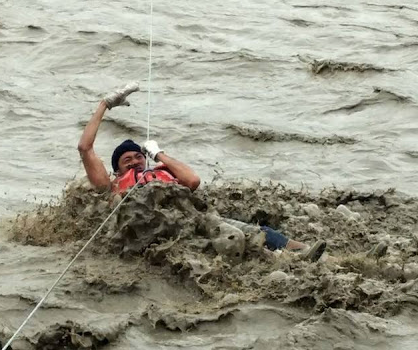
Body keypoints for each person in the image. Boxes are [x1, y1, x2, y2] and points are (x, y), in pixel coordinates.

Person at [77, 83, 328, 261]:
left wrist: (158, 154)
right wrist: (104, 105)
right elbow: (84, 147)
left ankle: (304, 253)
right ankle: (280, 262)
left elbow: (193, 181)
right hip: (149, 227)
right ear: (117, 170)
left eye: (137, 157)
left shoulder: (162, 171)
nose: (133, 162)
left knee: (257, 232)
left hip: (187, 219)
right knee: (231, 239)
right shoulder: (114, 185)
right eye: (126, 160)